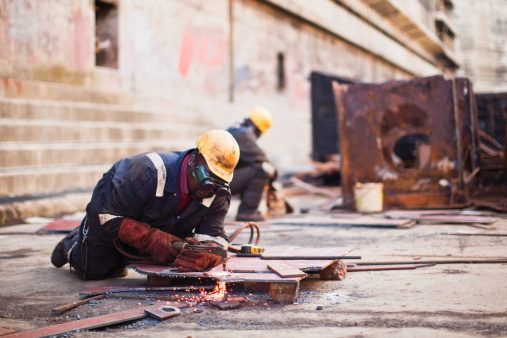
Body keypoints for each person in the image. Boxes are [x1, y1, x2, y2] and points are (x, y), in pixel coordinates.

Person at [50, 130, 240, 280]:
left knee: (169, 260)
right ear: (192, 160)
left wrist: (207, 255)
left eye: (218, 185)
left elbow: (215, 237)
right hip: (112, 210)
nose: (210, 190)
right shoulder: (145, 172)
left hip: (161, 219)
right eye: (207, 181)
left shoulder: (217, 194)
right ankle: (74, 242)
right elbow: (108, 217)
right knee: (96, 270)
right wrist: (154, 239)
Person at [227, 107, 277, 222]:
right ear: (257, 128)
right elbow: (263, 161)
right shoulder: (245, 135)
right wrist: (274, 175)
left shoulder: (236, 129)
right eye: (260, 132)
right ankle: (247, 211)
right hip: (219, 183)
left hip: (214, 181)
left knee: (253, 167)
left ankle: (248, 209)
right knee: (261, 170)